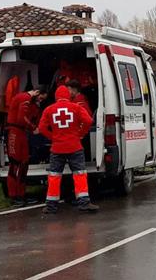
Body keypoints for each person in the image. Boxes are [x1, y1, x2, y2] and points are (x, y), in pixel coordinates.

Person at [39, 85, 98, 214]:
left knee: (54, 176)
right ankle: (84, 203)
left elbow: (42, 128)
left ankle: (51, 206)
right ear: (68, 95)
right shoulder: (76, 107)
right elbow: (88, 120)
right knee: (79, 174)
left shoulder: (49, 109)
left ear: (56, 96)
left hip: (57, 148)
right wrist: (80, 134)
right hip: (75, 146)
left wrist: (53, 137)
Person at [6, 88, 48, 207]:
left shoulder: (31, 103)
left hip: (22, 132)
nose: (40, 100)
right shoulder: (24, 98)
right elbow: (21, 118)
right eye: (40, 98)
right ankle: (14, 196)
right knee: (14, 164)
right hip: (14, 131)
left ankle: (21, 194)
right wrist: (33, 127)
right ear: (37, 92)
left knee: (24, 164)